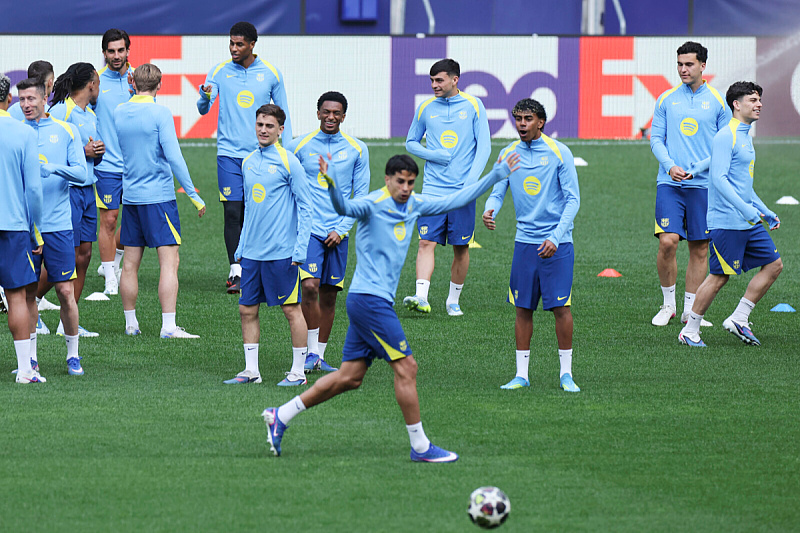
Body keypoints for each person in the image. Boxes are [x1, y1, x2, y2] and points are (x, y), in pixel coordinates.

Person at [261, 150, 520, 461]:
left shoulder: (415, 205)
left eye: (411, 182)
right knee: (407, 368)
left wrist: (495, 175)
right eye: (400, 181)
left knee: (349, 377)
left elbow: (456, 199)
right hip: (370, 302)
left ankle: (281, 415)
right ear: (387, 180)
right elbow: (343, 207)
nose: (406, 188)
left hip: (372, 302)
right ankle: (421, 447)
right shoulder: (372, 204)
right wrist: (331, 182)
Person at [483, 99, 581, 393]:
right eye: (518, 119)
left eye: (527, 119)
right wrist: (490, 209)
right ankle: (521, 375)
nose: (521, 124)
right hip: (524, 244)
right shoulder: (508, 153)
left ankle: (566, 374)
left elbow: (573, 200)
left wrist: (556, 237)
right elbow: (498, 190)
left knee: (561, 308)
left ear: (541, 122)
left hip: (557, 244)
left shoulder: (559, 152)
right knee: (522, 308)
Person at [679, 82, 782, 347]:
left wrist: (765, 211)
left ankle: (739, 318)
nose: (759, 104)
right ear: (736, 104)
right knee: (719, 276)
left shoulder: (745, 135)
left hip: (748, 221)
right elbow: (719, 179)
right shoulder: (727, 135)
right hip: (727, 221)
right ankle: (690, 330)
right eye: (753, 100)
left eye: (759, 100)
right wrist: (748, 209)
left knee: (774, 265)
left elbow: (743, 185)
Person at [197, 21, 292, 294]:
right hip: (228, 154)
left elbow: (284, 114)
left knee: (257, 211)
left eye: (239, 44)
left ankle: (260, 267)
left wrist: (289, 152)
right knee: (232, 211)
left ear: (252, 44)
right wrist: (204, 97)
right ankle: (236, 271)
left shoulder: (271, 73)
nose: (234, 48)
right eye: (231, 43)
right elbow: (204, 109)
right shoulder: (219, 71)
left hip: (262, 155)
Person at [114, 64, 206, 339]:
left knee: (129, 264)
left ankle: (131, 324)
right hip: (159, 198)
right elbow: (174, 157)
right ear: (159, 85)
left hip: (131, 197)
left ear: (133, 83)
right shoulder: (161, 113)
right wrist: (193, 195)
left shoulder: (119, 112)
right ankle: (168, 326)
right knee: (169, 262)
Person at [224, 104, 312, 386]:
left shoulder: (289, 162)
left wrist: (300, 249)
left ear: (280, 130)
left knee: (291, 310)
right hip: (252, 253)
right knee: (246, 309)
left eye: (269, 126)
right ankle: (251, 371)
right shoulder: (247, 161)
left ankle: (298, 372)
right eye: (260, 125)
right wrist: (240, 248)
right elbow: (250, 208)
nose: (263, 130)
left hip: (282, 253)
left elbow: (306, 207)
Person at [285, 91, 370, 373]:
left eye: (336, 113)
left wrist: (342, 229)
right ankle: (309, 351)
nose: (330, 117)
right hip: (308, 230)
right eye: (326, 111)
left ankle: (318, 356)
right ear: (318, 113)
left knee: (329, 295)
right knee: (309, 286)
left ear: (344, 116)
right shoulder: (299, 146)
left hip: (338, 232)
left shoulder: (358, 149)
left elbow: (361, 195)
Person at [650, 42, 730, 328]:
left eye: (689, 64)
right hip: (669, 182)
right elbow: (655, 139)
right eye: (680, 64)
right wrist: (670, 165)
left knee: (699, 248)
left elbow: (725, 145)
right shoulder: (666, 99)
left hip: (704, 186)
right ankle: (668, 305)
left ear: (702, 66)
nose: (683, 69)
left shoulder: (719, 102)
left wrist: (697, 169)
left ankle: (689, 311)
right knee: (668, 241)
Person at [403, 58, 491, 317]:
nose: (434, 85)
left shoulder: (474, 105)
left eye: (439, 80)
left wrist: (470, 183)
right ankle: (421, 297)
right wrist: (434, 155)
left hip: (463, 190)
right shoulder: (426, 107)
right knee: (425, 242)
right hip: (432, 190)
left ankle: (453, 301)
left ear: (455, 79)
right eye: (431, 80)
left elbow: (484, 147)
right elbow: (411, 142)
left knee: (460, 247)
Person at [19, 76, 89, 376]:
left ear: (44, 97)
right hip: (25, 227)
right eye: (21, 100)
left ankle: (73, 355)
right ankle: (31, 359)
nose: (26, 105)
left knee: (64, 291)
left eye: (31, 99)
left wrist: (54, 169)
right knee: (28, 294)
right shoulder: (16, 131)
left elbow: (82, 174)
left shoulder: (65, 130)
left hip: (58, 226)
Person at [47, 62, 104, 337]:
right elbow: (51, 150)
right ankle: (30, 303)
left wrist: (97, 152)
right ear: (91, 84)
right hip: (68, 191)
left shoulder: (90, 114)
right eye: (98, 83)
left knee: (84, 256)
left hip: (88, 190)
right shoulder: (61, 111)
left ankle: (66, 322)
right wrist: (84, 150)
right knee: (64, 257)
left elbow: (91, 155)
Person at [0, 73, 45, 383]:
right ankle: (25, 370)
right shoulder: (23, 133)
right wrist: (35, 227)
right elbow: (34, 191)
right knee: (17, 297)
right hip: (13, 225)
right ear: (9, 99)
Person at [94, 28, 134, 296]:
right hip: (106, 165)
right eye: (111, 51)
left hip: (135, 166)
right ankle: (110, 277)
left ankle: (112, 263)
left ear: (128, 50)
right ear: (104, 52)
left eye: (121, 50)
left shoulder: (139, 79)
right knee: (109, 220)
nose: (116, 55)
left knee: (133, 223)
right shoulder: (95, 82)